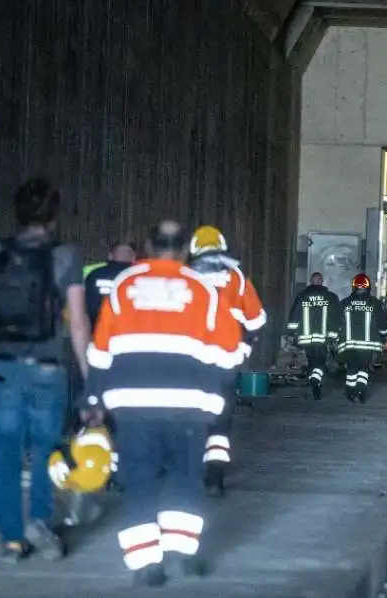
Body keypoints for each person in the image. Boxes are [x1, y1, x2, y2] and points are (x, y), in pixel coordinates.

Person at [82, 220, 248, 588]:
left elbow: (101, 348)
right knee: (185, 477)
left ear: (148, 246)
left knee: (139, 478)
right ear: (185, 250)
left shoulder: (125, 285)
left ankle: (145, 564)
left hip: (133, 404)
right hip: (187, 405)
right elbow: (229, 350)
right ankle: (183, 554)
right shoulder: (203, 290)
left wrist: (92, 396)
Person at [0, 177, 91, 561]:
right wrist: (90, 376)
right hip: (47, 368)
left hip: (2, 366)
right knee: (45, 449)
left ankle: (12, 540)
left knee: (8, 451)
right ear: (53, 215)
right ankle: (41, 521)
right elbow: (77, 323)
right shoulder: (65, 256)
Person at [187, 225, 266, 497]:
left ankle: (185, 470)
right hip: (224, 362)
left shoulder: (185, 278)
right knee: (220, 422)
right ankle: (215, 476)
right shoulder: (237, 279)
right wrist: (245, 346)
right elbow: (257, 320)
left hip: (190, 361)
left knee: (191, 415)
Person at [286, 272, 341, 400]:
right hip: (323, 338)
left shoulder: (302, 296)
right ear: (321, 281)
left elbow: (294, 316)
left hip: (306, 338)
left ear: (311, 281)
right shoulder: (331, 297)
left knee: (312, 361)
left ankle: (314, 379)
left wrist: (291, 333)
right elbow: (337, 317)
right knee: (321, 361)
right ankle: (316, 380)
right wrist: (335, 334)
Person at [337, 273, 387, 403]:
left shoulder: (344, 303)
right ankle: (360, 390)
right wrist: (383, 337)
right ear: (368, 287)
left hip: (349, 345)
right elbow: (383, 324)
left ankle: (350, 392)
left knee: (351, 368)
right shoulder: (375, 303)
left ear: (354, 287)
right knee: (363, 368)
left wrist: (335, 339)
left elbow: (336, 323)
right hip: (367, 345)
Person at [84, 242, 137, 329]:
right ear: (134, 257)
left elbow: (86, 305)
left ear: (110, 256)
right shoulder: (141, 276)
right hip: (131, 331)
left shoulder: (94, 274)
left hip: (98, 329)